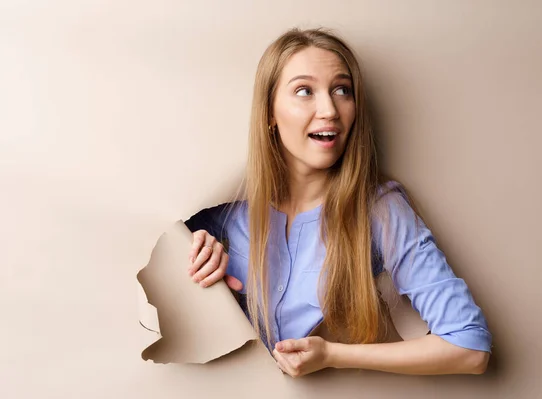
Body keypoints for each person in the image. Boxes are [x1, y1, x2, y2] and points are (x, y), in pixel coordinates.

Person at [184, 27, 492, 377]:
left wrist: (333, 355)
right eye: (304, 91)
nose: (330, 109)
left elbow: (470, 347)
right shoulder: (220, 212)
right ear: (270, 112)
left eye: (342, 90)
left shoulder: (381, 210)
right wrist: (191, 254)